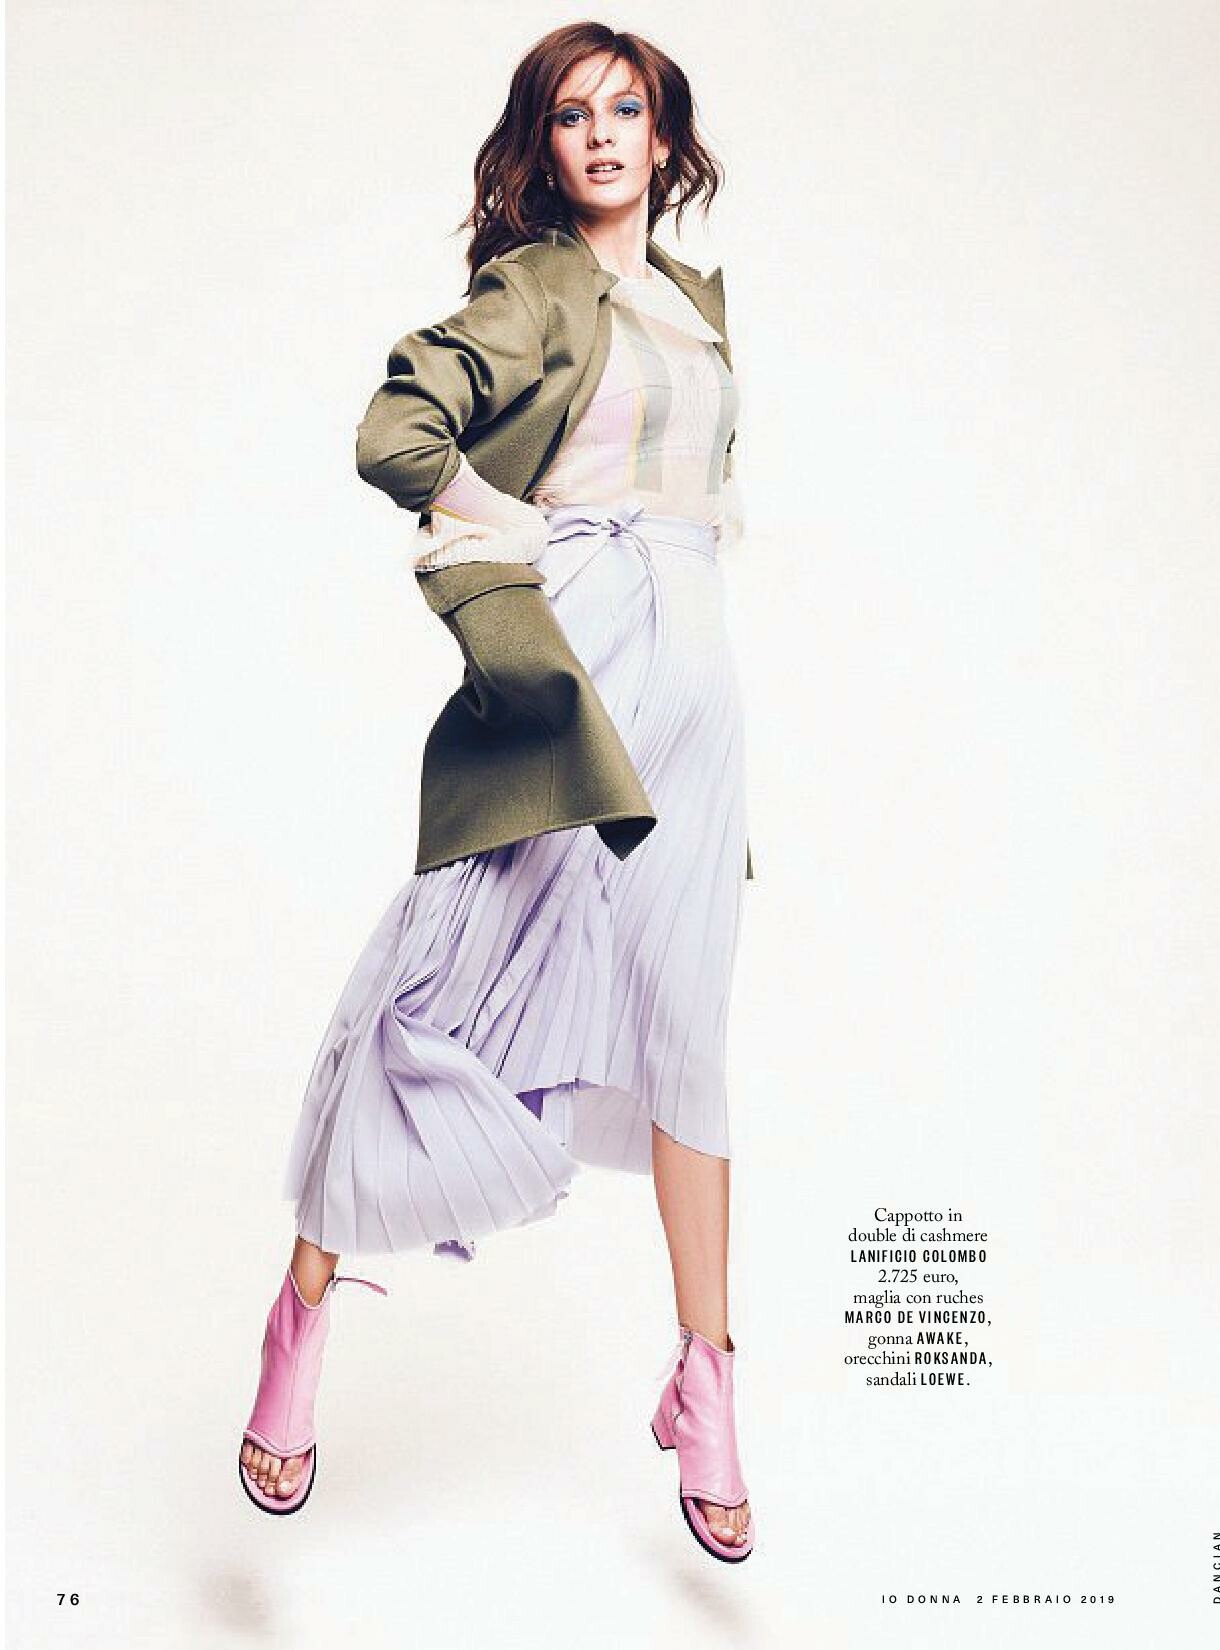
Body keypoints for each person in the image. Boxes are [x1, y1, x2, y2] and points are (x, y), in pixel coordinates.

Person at [238, 21, 755, 1562]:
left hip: (698, 702)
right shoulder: (535, 285)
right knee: (433, 980)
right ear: (546, 142)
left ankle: (709, 1384)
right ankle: (300, 1318)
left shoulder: (700, 305)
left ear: (663, 135)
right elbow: (394, 430)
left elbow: (702, 502)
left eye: (627, 109)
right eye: (572, 114)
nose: (602, 135)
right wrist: (505, 527)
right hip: (568, 687)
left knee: (687, 1029)